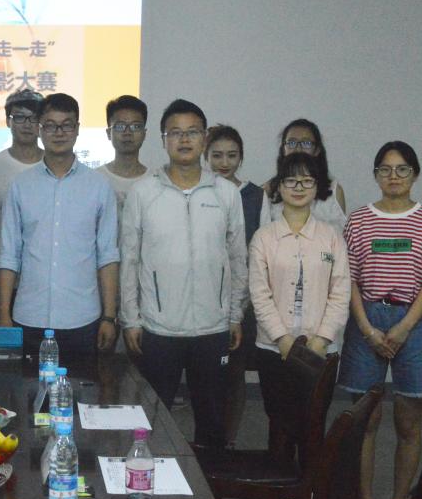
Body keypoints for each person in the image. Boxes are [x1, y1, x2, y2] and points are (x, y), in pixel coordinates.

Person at [337, 141, 422, 499]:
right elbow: (349, 279)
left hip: (413, 324)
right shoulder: (359, 220)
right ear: (375, 175)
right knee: (365, 420)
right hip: (366, 320)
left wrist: (404, 327)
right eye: (385, 170)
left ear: (414, 174)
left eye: (402, 169)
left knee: (408, 420)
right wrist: (368, 329)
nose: (394, 176)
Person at [120, 99, 247, 449]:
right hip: (159, 327)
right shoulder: (143, 192)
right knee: (152, 419)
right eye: (175, 133)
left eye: (192, 132)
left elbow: (238, 258)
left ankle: (209, 479)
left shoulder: (226, 193)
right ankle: (150, 477)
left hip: (213, 327)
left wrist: (235, 314)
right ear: (163, 140)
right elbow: (129, 259)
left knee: (211, 419)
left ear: (204, 138)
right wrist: (131, 319)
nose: (184, 139)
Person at [0, 92, 120, 357]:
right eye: (51, 125)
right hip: (29, 316)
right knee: (26, 385)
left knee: (81, 384)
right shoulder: (21, 185)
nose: (59, 132)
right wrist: (4, 315)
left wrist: (109, 317)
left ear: (77, 129)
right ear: (40, 129)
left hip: (82, 317)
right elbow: (9, 255)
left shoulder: (99, 186)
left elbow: (108, 256)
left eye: (67, 125)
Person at [249, 152, 349, 465]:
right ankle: (279, 489)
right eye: (291, 180)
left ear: (317, 187)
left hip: (321, 350)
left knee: (313, 424)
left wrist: (322, 339)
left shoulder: (331, 237)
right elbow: (259, 294)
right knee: (279, 423)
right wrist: (282, 339)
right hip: (274, 349)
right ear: (279, 186)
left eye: (307, 180)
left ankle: (310, 491)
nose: (299, 187)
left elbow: (340, 292)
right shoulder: (264, 237)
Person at [204, 124, 271, 447]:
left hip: (242, 299)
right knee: (206, 375)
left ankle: (228, 442)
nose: (224, 162)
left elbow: (263, 248)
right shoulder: (200, 191)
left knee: (235, 373)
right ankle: (205, 441)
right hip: (204, 296)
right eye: (217, 155)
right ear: (206, 157)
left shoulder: (256, 196)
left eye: (231, 155)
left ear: (241, 158)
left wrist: (249, 299)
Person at [0, 89, 44, 326]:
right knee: (1, 346)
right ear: (7, 121)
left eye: (33, 118)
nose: (27, 124)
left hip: (43, 280)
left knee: (42, 345)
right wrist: (2, 251)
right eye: (19, 117)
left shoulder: (54, 164)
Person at [265, 118, 347, 231]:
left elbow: (340, 236)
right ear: (283, 149)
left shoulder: (334, 191)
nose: (298, 149)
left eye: (306, 143)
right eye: (291, 143)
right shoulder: (269, 190)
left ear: (317, 150)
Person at [97, 94, 150, 214]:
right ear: (108, 133)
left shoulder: (155, 181)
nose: (128, 132)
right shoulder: (96, 179)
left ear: (144, 133)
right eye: (120, 126)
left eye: (135, 126)